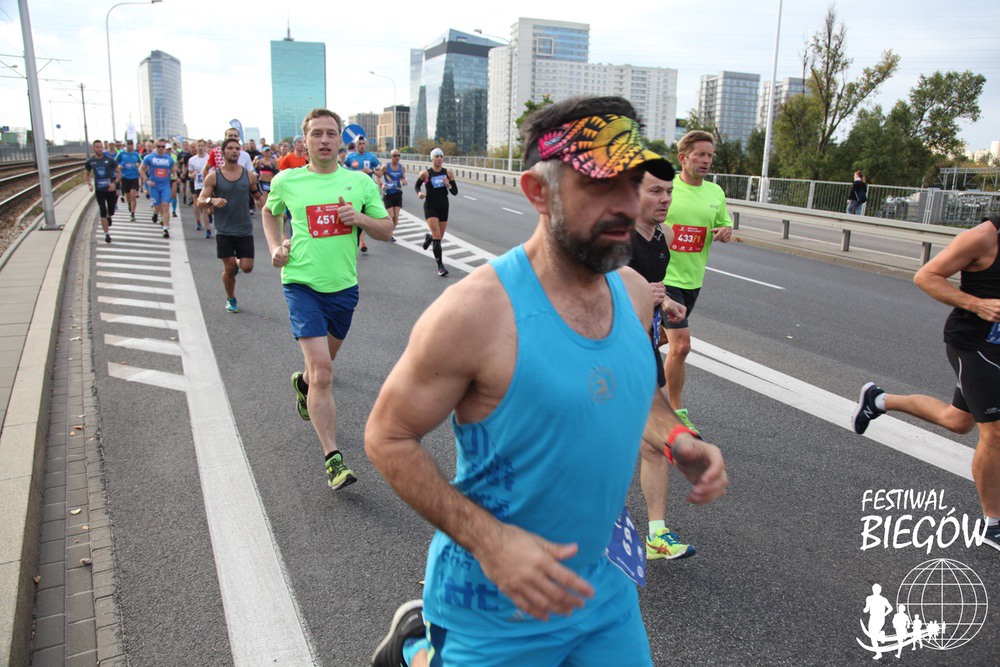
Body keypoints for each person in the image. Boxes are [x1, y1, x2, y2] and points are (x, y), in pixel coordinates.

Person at [366, 96, 727, 667]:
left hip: (604, 589)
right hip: (495, 600)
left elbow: (633, 387)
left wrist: (677, 437)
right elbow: (387, 437)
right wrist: (491, 542)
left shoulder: (634, 293)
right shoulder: (475, 313)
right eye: (600, 185)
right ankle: (418, 651)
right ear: (538, 192)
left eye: (632, 183)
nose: (625, 204)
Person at [262, 108, 393, 491]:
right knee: (323, 372)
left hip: (343, 289)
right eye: (316, 133)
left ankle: (303, 384)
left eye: (330, 133)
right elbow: (270, 213)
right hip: (301, 284)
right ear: (305, 140)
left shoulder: (359, 183)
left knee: (321, 367)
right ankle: (333, 458)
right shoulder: (287, 181)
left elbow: (386, 230)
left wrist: (360, 219)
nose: (323, 140)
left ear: (340, 141)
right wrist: (275, 247)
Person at [854, 215, 1000, 552]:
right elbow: (926, 276)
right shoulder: (983, 237)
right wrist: (976, 304)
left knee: (958, 421)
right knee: (994, 432)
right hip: (974, 344)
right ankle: (993, 524)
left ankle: (878, 400)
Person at [629, 171, 697, 561]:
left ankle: (657, 535)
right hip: (607, 354)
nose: (665, 198)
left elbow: (653, 286)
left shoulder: (664, 236)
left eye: (669, 191)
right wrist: (638, 294)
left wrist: (666, 301)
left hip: (644, 349)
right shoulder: (614, 239)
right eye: (655, 190)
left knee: (654, 444)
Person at [661, 130, 733, 433]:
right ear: (683, 158)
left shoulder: (715, 192)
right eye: (700, 154)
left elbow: (724, 224)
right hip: (664, 278)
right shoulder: (667, 188)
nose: (706, 160)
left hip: (693, 280)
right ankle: (675, 411)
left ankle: (614, 369)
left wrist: (726, 231)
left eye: (710, 155)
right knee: (681, 346)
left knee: (656, 340)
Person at [199, 138, 265, 313]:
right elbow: (200, 200)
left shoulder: (249, 176)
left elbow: (257, 196)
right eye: (230, 148)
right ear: (223, 152)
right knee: (229, 268)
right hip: (224, 229)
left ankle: (236, 262)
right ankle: (231, 298)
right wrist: (212, 200)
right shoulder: (214, 176)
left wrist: (265, 208)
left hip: (244, 228)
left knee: (247, 268)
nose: (234, 151)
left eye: (237, 148)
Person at [414, 148, 457, 276]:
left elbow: (455, 192)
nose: (439, 159)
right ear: (432, 158)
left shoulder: (448, 173)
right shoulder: (426, 174)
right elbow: (417, 186)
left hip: (443, 205)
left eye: (441, 156)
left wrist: (448, 185)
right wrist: (419, 193)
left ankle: (429, 238)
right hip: (430, 205)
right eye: (436, 156)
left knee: (439, 236)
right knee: (437, 236)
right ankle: (440, 266)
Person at [344, 135, 380, 253]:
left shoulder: (371, 157)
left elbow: (380, 173)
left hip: (367, 191)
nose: (362, 146)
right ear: (355, 145)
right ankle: (361, 241)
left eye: (364, 143)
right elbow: (343, 172)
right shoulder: (350, 157)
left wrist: (372, 171)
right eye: (360, 144)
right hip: (353, 191)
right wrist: (357, 171)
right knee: (356, 215)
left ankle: (360, 239)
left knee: (365, 215)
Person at [85, 139, 122, 244]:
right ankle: (106, 234)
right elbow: (87, 174)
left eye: (101, 147)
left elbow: (119, 174)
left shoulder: (110, 160)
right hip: (99, 190)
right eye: (97, 147)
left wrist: (114, 184)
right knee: (102, 209)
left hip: (110, 189)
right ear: (93, 148)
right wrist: (89, 184)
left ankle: (109, 215)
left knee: (111, 210)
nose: (100, 149)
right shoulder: (90, 161)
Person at [139, 138, 177, 238]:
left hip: (165, 185)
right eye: (158, 146)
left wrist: (175, 177)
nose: (161, 148)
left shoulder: (169, 159)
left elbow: (173, 171)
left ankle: (165, 229)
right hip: (154, 186)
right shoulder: (149, 157)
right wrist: (147, 180)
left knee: (165, 205)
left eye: (162, 147)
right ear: (155, 147)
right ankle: (155, 212)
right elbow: (141, 170)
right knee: (157, 206)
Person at [381, 149, 406, 241]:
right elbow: (378, 176)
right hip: (388, 193)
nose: (397, 157)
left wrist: (404, 181)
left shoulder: (401, 167)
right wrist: (381, 185)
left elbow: (403, 177)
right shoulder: (385, 167)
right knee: (390, 215)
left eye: (398, 155)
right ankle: (387, 231)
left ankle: (390, 233)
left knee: (396, 216)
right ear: (391, 157)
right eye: (395, 156)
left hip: (398, 193)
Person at [187, 140, 211, 236]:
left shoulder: (209, 158)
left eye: (202, 146)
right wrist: (192, 175)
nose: (200, 148)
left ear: (205, 147)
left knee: (210, 207)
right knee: (203, 206)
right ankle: (208, 229)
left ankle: (209, 214)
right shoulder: (192, 160)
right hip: (198, 186)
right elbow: (189, 173)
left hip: (209, 185)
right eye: (198, 146)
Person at [116, 139, 142, 221]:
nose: (130, 146)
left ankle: (133, 213)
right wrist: (119, 166)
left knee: (133, 195)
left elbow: (140, 163)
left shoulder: (136, 154)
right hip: (125, 177)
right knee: (128, 196)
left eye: (131, 144)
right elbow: (114, 162)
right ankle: (129, 204)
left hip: (134, 177)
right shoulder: (121, 154)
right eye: (128, 144)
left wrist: (139, 166)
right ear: (125, 145)